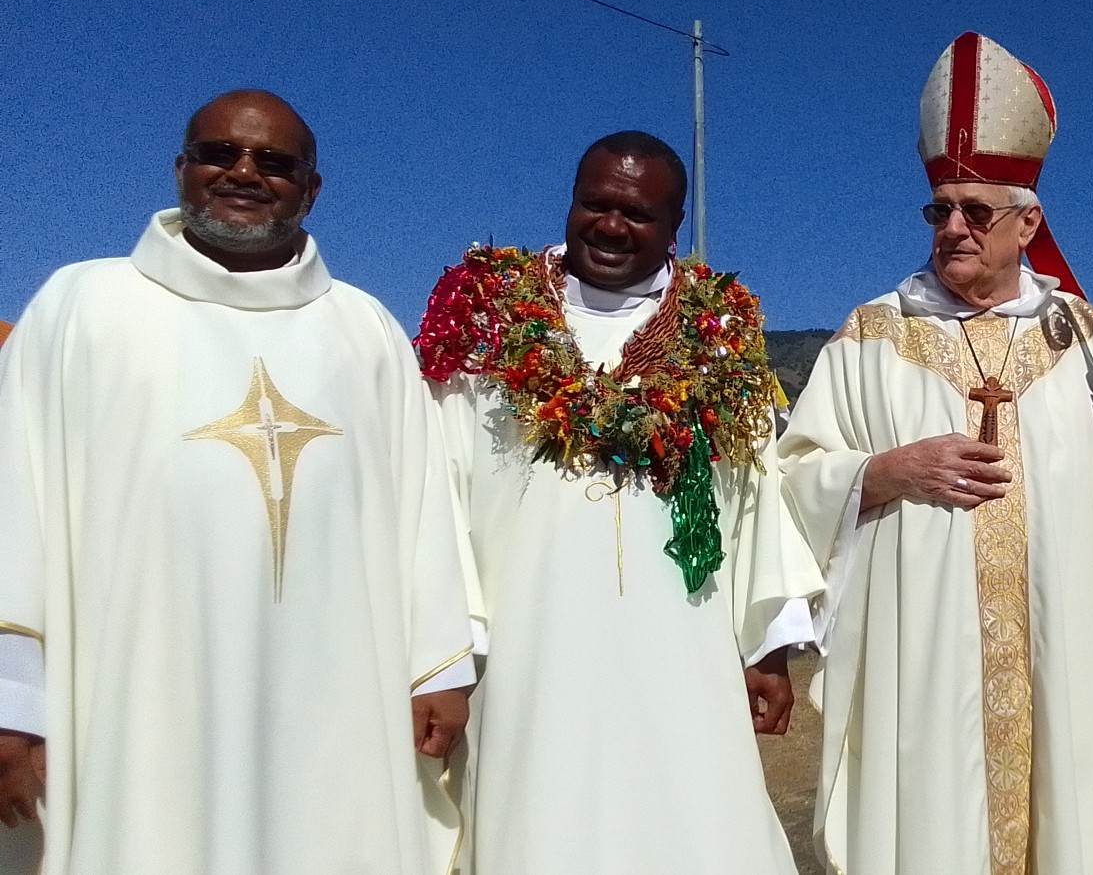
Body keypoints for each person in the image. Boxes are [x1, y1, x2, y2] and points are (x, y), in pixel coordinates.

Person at [0, 90, 475, 873]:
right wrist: (13, 700)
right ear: (182, 168)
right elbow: (13, 504)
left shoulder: (365, 331)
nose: (244, 173)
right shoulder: (81, 307)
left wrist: (440, 669)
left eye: (274, 162)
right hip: (134, 693)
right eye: (219, 153)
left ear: (311, 189)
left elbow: (423, 511)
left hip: (332, 698)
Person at [779, 32, 1093, 875]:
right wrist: (881, 472)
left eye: (977, 210)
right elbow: (791, 479)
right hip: (922, 675)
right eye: (940, 210)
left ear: (1029, 222)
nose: (955, 228)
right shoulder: (873, 337)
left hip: (1065, 657)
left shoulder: (1087, 339)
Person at [415, 131, 824, 873]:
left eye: (635, 213)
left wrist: (767, 643)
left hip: (684, 648)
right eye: (593, 204)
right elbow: (435, 488)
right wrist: (443, 658)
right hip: (526, 654)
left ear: (674, 227)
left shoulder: (719, 340)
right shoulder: (489, 325)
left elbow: (754, 491)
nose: (608, 225)